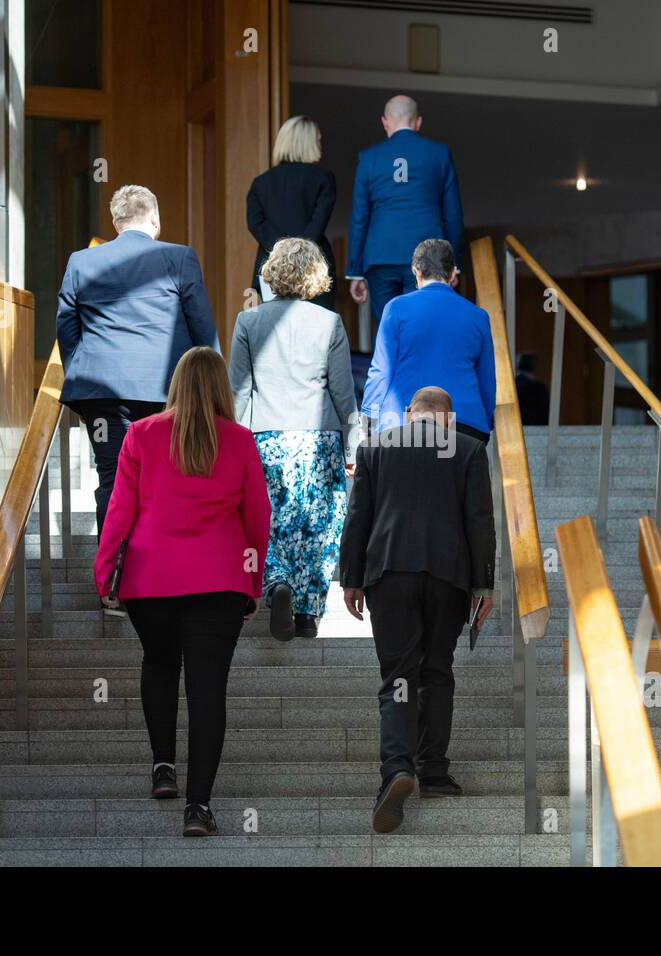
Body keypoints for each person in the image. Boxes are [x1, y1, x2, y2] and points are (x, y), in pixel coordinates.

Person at [93, 347, 271, 838]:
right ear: (220, 387)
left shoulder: (140, 434)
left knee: (159, 664)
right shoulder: (238, 441)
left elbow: (119, 511)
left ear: (175, 384)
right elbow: (257, 519)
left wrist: (104, 572)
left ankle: (162, 767)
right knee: (207, 688)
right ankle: (199, 809)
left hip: (150, 583)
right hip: (219, 582)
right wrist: (253, 580)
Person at [339, 386, 496, 834]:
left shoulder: (376, 449)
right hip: (448, 575)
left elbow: (358, 517)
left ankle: (397, 768)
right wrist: (484, 584)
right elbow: (480, 521)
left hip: (388, 573)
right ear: (448, 418)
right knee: (437, 671)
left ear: (410, 414)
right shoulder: (469, 449)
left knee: (399, 677)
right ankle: (434, 772)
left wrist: (351, 578)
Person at [57, 184, 219, 553]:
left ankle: (112, 580)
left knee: (112, 478)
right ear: (155, 219)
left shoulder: (81, 261)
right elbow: (202, 328)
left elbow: (67, 326)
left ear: (115, 223)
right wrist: (213, 389)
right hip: (167, 392)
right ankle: (164, 574)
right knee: (170, 477)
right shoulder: (179, 258)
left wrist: (80, 374)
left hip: (101, 395)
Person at [229, 238, 360, 641]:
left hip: (265, 437)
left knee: (269, 520)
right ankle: (308, 611)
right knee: (320, 524)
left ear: (273, 273)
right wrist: (353, 445)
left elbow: (238, 391)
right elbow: (342, 391)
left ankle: (277, 584)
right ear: (314, 275)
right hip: (318, 437)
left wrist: (232, 447)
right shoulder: (329, 323)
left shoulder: (248, 322)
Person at [361, 239, 496, 442]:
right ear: (453, 274)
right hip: (465, 424)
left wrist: (368, 419)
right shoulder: (479, 316)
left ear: (416, 272)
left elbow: (382, 369)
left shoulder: (396, 308)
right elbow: (487, 379)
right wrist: (484, 421)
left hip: (401, 422)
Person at [347, 95, 464, 327]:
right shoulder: (439, 154)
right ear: (417, 122)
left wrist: (355, 271)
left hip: (380, 256)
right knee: (422, 329)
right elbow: (453, 214)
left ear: (385, 122)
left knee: (390, 329)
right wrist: (454, 265)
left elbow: (360, 216)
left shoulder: (369, 158)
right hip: (428, 257)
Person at [246, 115, 338, 312]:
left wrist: (282, 253)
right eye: (318, 139)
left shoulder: (261, 183)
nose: (320, 144)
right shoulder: (323, 178)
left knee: (276, 336)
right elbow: (318, 223)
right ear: (307, 143)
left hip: (271, 267)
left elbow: (255, 224)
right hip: (315, 268)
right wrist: (298, 252)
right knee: (318, 333)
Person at [515, 353, 550, 426]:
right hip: (537, 431)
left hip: (514, 430)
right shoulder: (540, 388)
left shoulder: (511, 388)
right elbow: (546, 414)